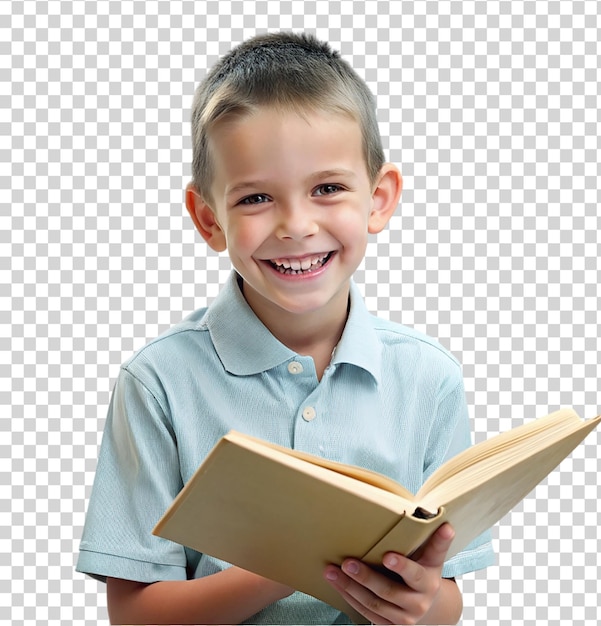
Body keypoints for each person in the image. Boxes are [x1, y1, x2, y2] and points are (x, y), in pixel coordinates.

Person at [76, 31, 494, 625]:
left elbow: (445, 606)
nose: (296, 225)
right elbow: (135, 616)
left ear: (378, 199)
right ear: (208, 219)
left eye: (327, 189)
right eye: (255, 199)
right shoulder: (158, 382)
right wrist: (291, 559)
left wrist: (417, 600)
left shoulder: (429, 377)